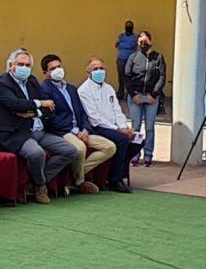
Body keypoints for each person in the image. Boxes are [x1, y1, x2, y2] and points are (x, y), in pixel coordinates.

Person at [0, 47, 80, 205]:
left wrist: (34, 112)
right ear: (11, 65)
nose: (24, 68)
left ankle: (34, 182)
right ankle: (40, 186)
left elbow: (49, 107)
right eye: (20, 64)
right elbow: (15, 104)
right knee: (37, 153)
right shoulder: (1, 84)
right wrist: (37, 104)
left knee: (70, 151)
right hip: (16, 133)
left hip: (38, 129)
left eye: (27, 65)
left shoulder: (32, 81)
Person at [34, 54, 117, 194]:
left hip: (80, 130)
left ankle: (73, 178)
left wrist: (84, 129)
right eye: (53, 68)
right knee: (79, 148)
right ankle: (80, 182)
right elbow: (51, 119)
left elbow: (82, 112)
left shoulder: (71, 88)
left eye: (59, 66)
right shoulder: (44, 90)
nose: (58, 70)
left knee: (109, 147)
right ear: (45, 73)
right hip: (64, 131)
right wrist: (74, 131)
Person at [75, 58, 139, 194]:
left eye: (102, 68)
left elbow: (117, 110)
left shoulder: (108, 88)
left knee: (139, 140)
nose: (99, 71)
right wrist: (118, 130)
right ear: (88, 73)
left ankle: (119, 172)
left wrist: (124, 127)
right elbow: (94, 117)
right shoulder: (84, 90)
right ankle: (114, 180)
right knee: (123, 140)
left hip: (114, 126)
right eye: (95, 69)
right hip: (98, 127)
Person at [121, 30, 164, 163]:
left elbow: (162, 77)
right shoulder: (133, 57)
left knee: (150, 127)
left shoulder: (158, 57)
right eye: (140, 42)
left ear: (151, 42)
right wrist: (133, 94)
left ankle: (148, 155)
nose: (143, 44)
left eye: (145, 42)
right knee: (136, 126)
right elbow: (126, 76)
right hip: (136, 96)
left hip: (151, 97)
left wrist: (154, 94)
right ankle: (134, 154)